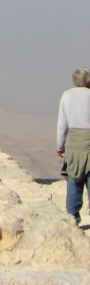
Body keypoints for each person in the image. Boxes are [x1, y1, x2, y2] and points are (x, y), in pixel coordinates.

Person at [57, 67, 90, 223]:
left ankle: (73, 219)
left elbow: (62, 125)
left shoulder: (66, 96)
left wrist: (60, 147)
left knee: (74, 182)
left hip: (75, 147)